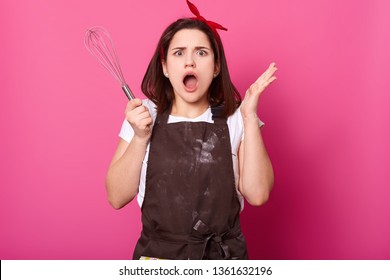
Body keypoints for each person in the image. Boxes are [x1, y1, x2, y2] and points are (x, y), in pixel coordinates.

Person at [105, 0, 276, 260]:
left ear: (216, 67)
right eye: (179, 53)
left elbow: (258, 194)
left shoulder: (235, 117)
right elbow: (116, 197)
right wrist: (140, 137)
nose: (190, 63)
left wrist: (250, 117)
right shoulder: (144, 116)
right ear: (164, 67)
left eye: (201, 52)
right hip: (158, 260)